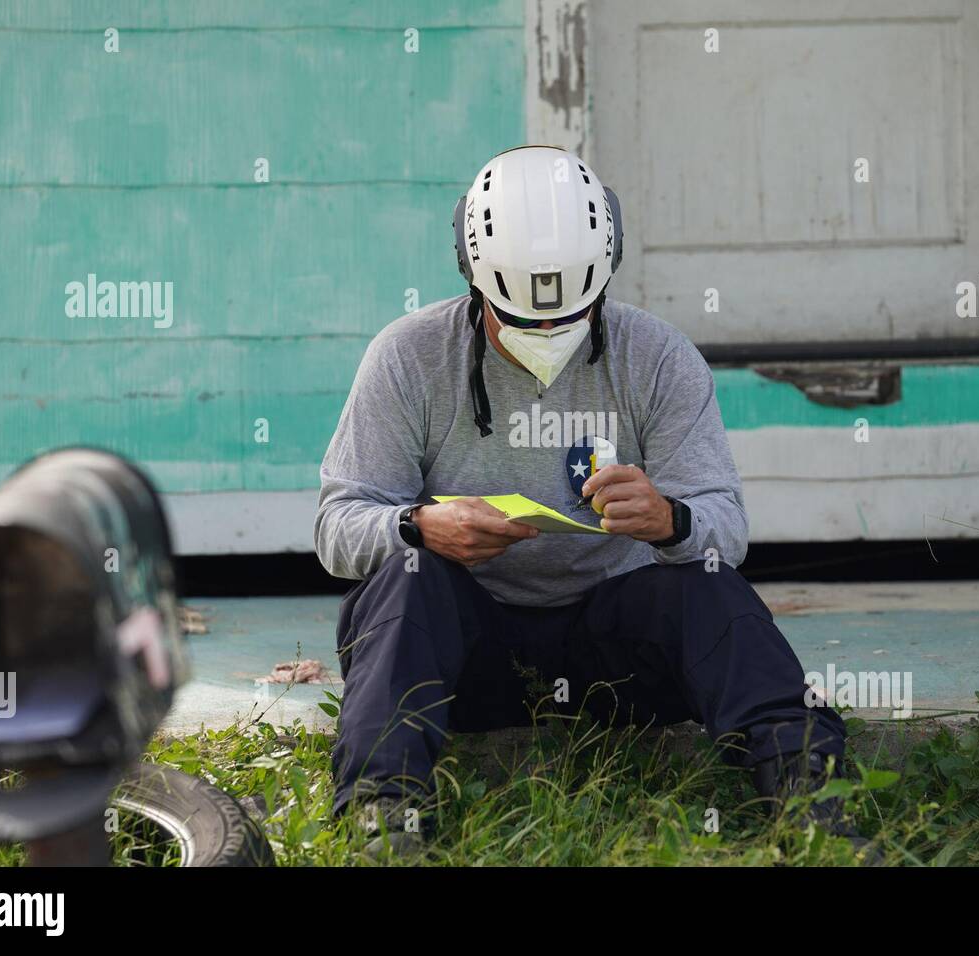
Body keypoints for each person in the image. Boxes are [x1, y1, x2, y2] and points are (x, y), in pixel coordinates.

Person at [315, 145, 861, 858]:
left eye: (568, 317)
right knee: (410, 579)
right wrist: (421, 526)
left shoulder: (658, 357)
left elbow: (726, 526)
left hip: (612, 648)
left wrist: (673, 521)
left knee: (708, 586)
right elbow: (336, 527)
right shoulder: (408, 356)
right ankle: (382, 820)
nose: (546, 336)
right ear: (473, 278)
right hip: (464, 655)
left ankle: (813, 802)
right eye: (521, 318)